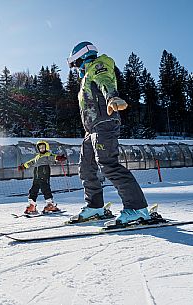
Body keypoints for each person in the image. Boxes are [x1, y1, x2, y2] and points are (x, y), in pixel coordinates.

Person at [66, 41, 150, 225]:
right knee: (86, 168)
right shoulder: (86, 76)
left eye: (76, 64)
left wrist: (112, 97)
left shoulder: (98, 65)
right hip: (92, 129)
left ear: (82, 57)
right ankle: (95, 206)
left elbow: (105, 81)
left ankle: (137, 208)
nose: (76, 68)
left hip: (105, 123)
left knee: (108, 164)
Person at [18, 140, 67, 214]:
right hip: (36, 175)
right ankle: (32, 205)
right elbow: (31, 162)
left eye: (43, 147)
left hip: (44, 174)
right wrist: (24, 166)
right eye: (40, 148)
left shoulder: (48, 155)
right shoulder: (37, 157)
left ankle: (50, 204)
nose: (41, 149)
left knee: (45, 188)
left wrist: (58, 158)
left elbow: (53, 157)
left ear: (46, 147)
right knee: (34, 189)